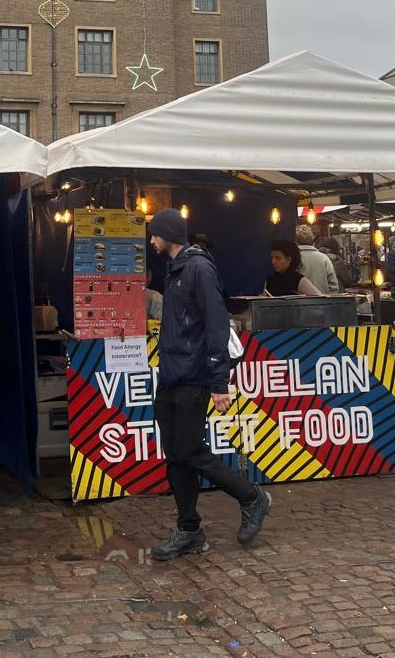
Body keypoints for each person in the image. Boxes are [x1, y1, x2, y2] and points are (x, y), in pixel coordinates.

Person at [147, 208, 271, 560]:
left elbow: (217, 324)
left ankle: (252, 498)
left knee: (189, 450)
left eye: (155, 234)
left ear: (168, 234)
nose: (151, 240)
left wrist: (219, 382)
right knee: (176, 454)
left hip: (194, 375)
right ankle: (189, 529)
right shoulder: (175, 268)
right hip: (172, 374)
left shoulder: (198, 268)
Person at [295, 225, 338, 293]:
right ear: (312, 239)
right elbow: (334, 286)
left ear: (295, 240)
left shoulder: (292, 259)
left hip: (298, 299)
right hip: (322, 298)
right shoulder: (324, 258)